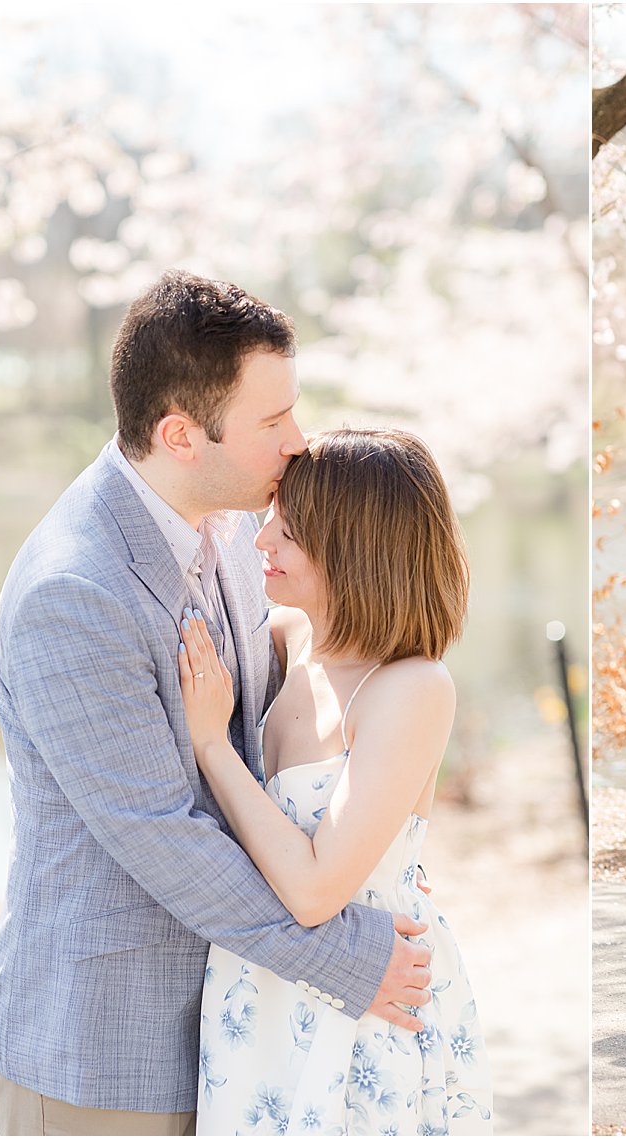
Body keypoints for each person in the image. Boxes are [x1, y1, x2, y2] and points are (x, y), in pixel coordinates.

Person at [0, 271, 434, 1135]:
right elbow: (163, 830)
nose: (299, 443)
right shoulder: (74, 593)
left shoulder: (227, 531)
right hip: (103, 1053)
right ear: (181, 434)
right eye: (272, 423)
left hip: (238, 1039)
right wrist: (346, 957)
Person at [182, 427, 492, 1134]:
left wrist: (211, 742)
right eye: (270, 521)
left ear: (352, 551)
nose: (261, 544)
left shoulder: (410, 686)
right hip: (259, 988)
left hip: (363, 996)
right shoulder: (289, 642)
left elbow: (318, 885)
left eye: (286, 533)